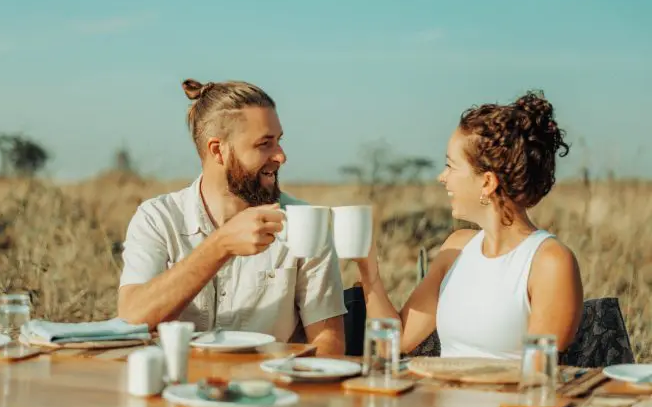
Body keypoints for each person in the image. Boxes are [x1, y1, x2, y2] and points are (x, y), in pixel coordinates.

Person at [117, 79, 347, 356]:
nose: (281, 156)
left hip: (268, 390)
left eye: (279, 141)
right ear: (218, 150)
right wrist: (220, 246)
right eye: (265, 144)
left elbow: (329, 347)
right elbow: (131, 318)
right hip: (175, 388)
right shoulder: (157, 218)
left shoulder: (304, 222)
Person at [354, 90, 584, 359]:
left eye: (451, 166)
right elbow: (395, 343)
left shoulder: (550, 262)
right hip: (442, 397)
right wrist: (368, 272)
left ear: (487, 182)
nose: (442, 177)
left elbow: (539, 381)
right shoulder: (456, 248)